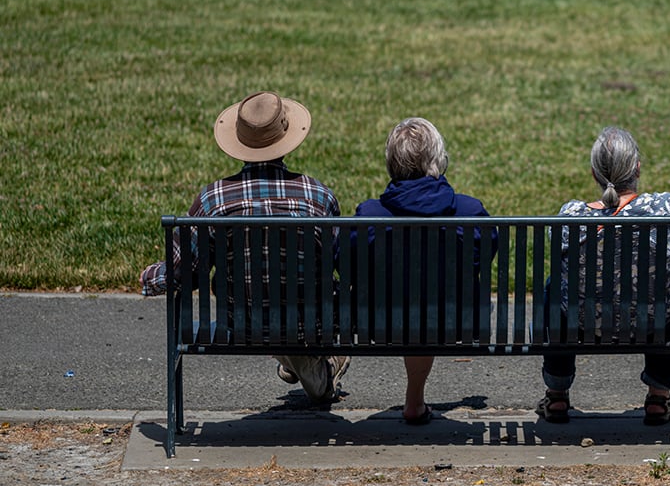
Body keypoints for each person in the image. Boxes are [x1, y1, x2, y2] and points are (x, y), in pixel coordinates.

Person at [139, 91, 348, 404]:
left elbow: (186, 274)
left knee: (265, 307)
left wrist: (150, 277)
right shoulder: (317, 197)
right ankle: (305, 361)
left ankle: (296, 359)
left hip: (239, 325)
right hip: (310, 323)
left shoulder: (213, 201)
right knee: (300, 303)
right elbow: (339, 264)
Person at [535, 126, 670, 427]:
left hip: (584, 322)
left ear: (594, 173)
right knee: (669, 291)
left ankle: (557, 394)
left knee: (554, 289)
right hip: (652, 322)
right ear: (637, 169)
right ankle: (658, 395)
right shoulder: (665, 208)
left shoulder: (571, 216)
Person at [350, 117, 491, 426]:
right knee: (426, 306)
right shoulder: (470, 211)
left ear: (391, 162)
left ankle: (414, 399)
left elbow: (344, 265)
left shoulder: (369, 215)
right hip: (457, 322)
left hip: (379, 323)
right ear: (438, 160)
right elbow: (486, 256)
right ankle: (414, 401)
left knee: (413, 307)